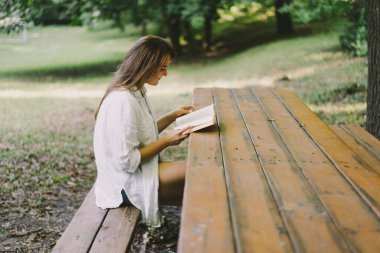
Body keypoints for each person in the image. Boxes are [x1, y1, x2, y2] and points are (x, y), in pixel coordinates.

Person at [93, 35, 194, 227]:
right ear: (146, 65)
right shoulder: (123, 101)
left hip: (131, 175)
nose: (165, 74)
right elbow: (127, 162)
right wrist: (166, 140)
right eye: (162, 68)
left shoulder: (135, 90)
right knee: (202, 172)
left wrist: (172, 116)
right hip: (122, 186)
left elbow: (141, 133)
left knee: (203, 184)